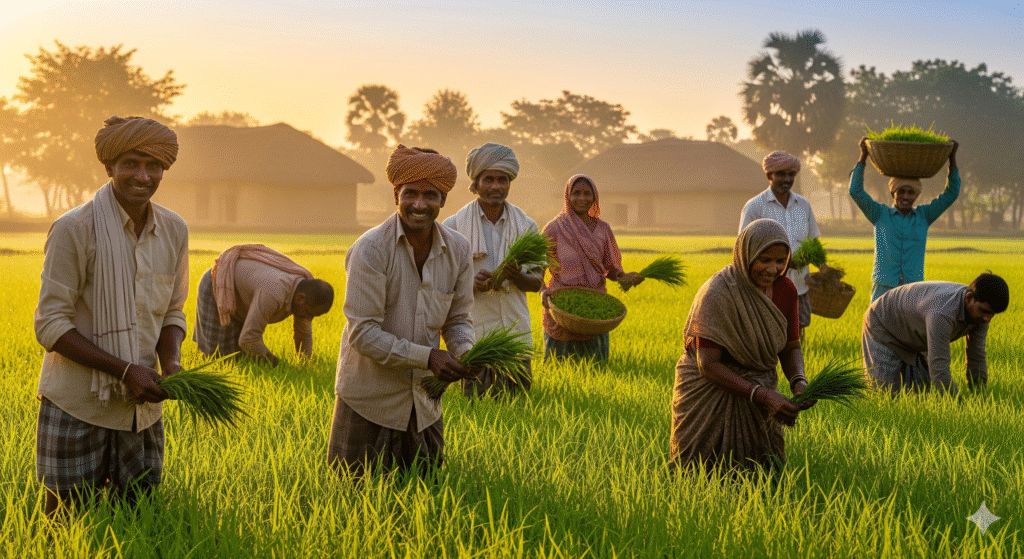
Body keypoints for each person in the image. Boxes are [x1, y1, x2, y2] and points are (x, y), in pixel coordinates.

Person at [33, 116, 188, 516]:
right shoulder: (74, 228)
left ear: (164, 169)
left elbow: (172, 311)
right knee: (65, 515)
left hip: (141, 407)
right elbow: (51, 324)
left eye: (153, 165)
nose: (143, 176)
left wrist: (171, 364)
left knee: (138, 513)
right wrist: (125, 371)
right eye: (131, 164)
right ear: (109, 167)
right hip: (77, 402)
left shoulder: (174, 230)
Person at [327, 145, 477, 479]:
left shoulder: (458, 249)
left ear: (443, 199)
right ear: (396, 194)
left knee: (427, 493)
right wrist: (429, 358)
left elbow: (458, 319)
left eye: (430, 195)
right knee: (354, 496)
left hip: (424, 403)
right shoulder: (371, 249)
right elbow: (363, 334)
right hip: (369, 401)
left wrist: (466, 351)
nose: (419, 204)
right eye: (410, 193)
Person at [670, 219, 810, 473]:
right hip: (710, 392)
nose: (773, 269)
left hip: (760, 386)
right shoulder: (718, 292)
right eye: (764, 260)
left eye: (781, 261)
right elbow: (708, 364)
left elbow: (791, 347)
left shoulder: (785, 290)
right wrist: (762, 395)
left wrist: (798, 380)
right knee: (700, 472)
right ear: (746, 254)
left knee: (762, 472)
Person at [442, 143, 541, 397]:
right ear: (475, 183)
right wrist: (470, 285)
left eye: (502, 180)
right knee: (476, 405)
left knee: (520, 408)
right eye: (489, 179)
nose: (496, 186)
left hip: (516, 335)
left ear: (509, 182)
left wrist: (517, 277)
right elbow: (440, 284)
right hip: (475, 337)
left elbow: (537, 282)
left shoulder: (526, 226)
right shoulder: (453, 227)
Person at [540, 174, 643, 363]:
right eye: (576, 193)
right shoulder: (554, 228)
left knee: (595, 368)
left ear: (595, 197)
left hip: (595, 307)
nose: (582, 198)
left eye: (587, 193)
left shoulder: (603, 229)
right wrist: (542, 290)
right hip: (562, 306)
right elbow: (536, 266)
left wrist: (623, 276)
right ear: (567, 196)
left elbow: (610, 268)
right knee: (558, 367)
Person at [861, 273, 1008, 396]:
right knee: (885, 394)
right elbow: (939, 369)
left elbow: (976, 356)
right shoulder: (942, 313)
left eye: (993, 314)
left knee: (920, 394)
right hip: (884, 324)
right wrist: (960, 406)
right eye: (984, 311)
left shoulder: (980, 317)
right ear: (969, 298)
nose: (988, 319)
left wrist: (979, 394)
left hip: (915, 332)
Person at [850, 137, 960, 301]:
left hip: (913, 288)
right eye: (901, 191)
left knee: (910, 320)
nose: (906, 196)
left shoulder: (924, 216)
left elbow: (951, 193)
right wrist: (863, 156)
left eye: (911, 192)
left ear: (916, 195)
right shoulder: (880, 214)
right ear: (892, 193)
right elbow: (855, 191)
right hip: (884, 286)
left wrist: (952, 158)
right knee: (877, 318)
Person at [194, 244, 334, 366]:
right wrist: (276, 364)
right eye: (309, 313)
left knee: (240, 358)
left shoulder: (303, 290)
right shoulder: (274, 293)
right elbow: (248, 339)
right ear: (300, 298)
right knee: (218, 358)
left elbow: (304, 335)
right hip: (219, 283)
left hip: (242, 294)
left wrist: (304, 364)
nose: (309, 318)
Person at [740, 151, 821, 334]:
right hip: (766, 287)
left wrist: (823, 269)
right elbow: (744, 248)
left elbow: (814, 242)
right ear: (769, 175)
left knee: (797, 335)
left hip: (800, 286)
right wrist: (785, 263)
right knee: (767, 335)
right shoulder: (755, 206)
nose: (787, 179)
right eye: (781, 174)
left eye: (791, 174)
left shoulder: (804, 205)